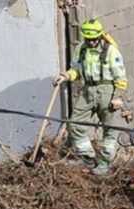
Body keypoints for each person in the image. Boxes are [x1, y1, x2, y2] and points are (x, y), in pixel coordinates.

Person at [53, 19, 127, 175]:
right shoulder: (81, 49)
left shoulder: (111, 50)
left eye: (94, 39)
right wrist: (65, 76)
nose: (92, 42)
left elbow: (121, 77)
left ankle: (105, 162)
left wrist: (118, 96)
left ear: (100, 36)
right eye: (88, 39)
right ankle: (89, 159)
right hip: (87, 90)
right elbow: (76, 71)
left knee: (110, 129)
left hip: (107, 90)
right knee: (75, 124)